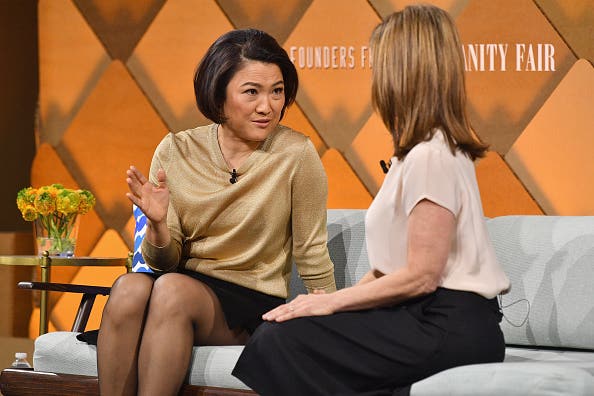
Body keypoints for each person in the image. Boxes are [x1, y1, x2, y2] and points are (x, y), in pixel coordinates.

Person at [232, 5, 511, 396]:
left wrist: (330, 304)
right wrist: (326, 303)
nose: (375, 78)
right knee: (283, 332)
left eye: (380, 65)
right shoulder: (414, 154)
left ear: (402, 72)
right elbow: (386, 269)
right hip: (421, 315)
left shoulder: (434, 154)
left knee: (282, 342)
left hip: (449, 323)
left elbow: (422, 275)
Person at [94, 28, 336, 395]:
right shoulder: (176, 150)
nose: (267, 106)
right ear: (218, 95)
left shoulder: (296, 155)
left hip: (248, 300)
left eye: (277, 91)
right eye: (252, 92)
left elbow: (312, 251)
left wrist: (331, 323)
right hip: (177, 282)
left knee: (172, 291)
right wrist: (158, 225)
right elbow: (163, 261)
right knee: (127, 288)